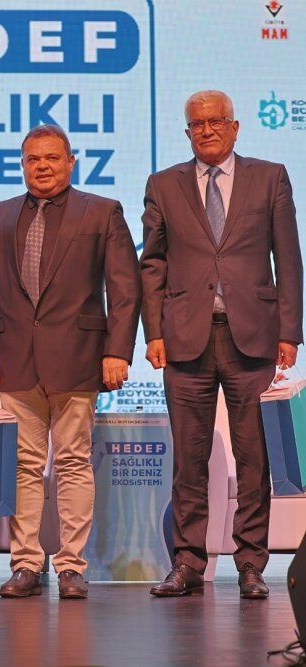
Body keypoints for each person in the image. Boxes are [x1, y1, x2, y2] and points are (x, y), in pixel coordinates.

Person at [0, 124, 141, 600]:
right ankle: (26, 563)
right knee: (22, 466)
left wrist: (117, 351)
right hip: (14, 359)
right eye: (32, 159)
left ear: (70, 162)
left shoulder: (102, 211)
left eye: (51, 157)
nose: (42, 166)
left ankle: (71, 566)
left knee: (72, 462)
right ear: (22, 164)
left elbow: (125, 288)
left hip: (79, 358)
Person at [142, 90, 302, 599]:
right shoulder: (163, 184)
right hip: (185, 337)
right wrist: (154, 332)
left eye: (216, 121)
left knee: (254, 457)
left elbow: (288, 257)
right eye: (197, 124)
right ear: (186, 132)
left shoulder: (270, 176)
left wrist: (289, 331)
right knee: (188, 459)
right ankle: (187, 561)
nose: (207, 130)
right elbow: (153, 264)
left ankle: (251, 563)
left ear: (235, 127)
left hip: (252, 336)